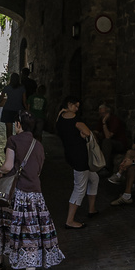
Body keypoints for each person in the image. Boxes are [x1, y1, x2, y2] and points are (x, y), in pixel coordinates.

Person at [0, 110, 64, 270]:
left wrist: (0, 171)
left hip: (16, 195)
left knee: (4, 226)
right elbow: (38, 170)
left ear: (18, 124)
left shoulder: (13, 141)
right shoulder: (39, 145)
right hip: (35, 196)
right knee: (31, 235)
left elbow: (8, 165)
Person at [55, 95, 99, 227]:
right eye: (75, 106)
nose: (76, 109)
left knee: (94, 178)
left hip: (71, 154)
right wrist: (83, 133)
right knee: (79, 188)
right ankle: (70, 220)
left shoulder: (59, 117)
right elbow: (87, 132)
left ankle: (91, 209)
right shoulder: (74, 119)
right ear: (69, 104)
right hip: (80, 157)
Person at [92, 104, 129, 173]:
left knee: (106, 142)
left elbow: (108, 136)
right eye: (100, 114)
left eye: (103, 113)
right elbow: (96, 131)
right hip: (108, 142)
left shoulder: (115, 120)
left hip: (119, 143)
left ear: (108, 113)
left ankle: (105, 167)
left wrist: (104, 123)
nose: (101, 115)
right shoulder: (101, 119)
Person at [0, 71, 28, 139]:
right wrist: (27, 110)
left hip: (8, 109)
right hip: (18, 110)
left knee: (9, 130)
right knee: (18, 129)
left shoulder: (7, 87)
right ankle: (17, 144)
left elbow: (1, 98)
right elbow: (24, 101)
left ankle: (9, 144)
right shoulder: (22, 88)